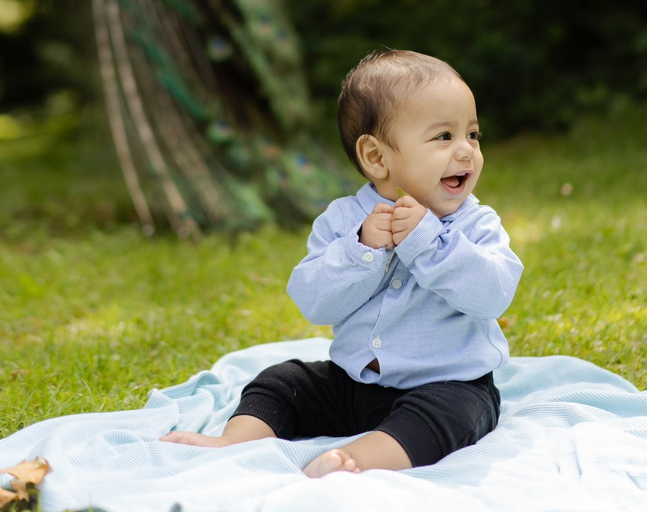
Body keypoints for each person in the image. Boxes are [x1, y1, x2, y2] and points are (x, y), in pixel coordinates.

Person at [161, 49, 524, 478]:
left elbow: (493, 295)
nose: (466, 151)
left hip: (447, 385)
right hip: (354, 385)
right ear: (376, 157)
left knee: (446, 416)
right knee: (280, 381)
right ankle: (234, 441)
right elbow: (314, 301)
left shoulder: (475, 223)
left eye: (473, 134)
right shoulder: (344, 221)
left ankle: (356, 460)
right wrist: (364, 249)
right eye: (444, 137)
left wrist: (429, 242)